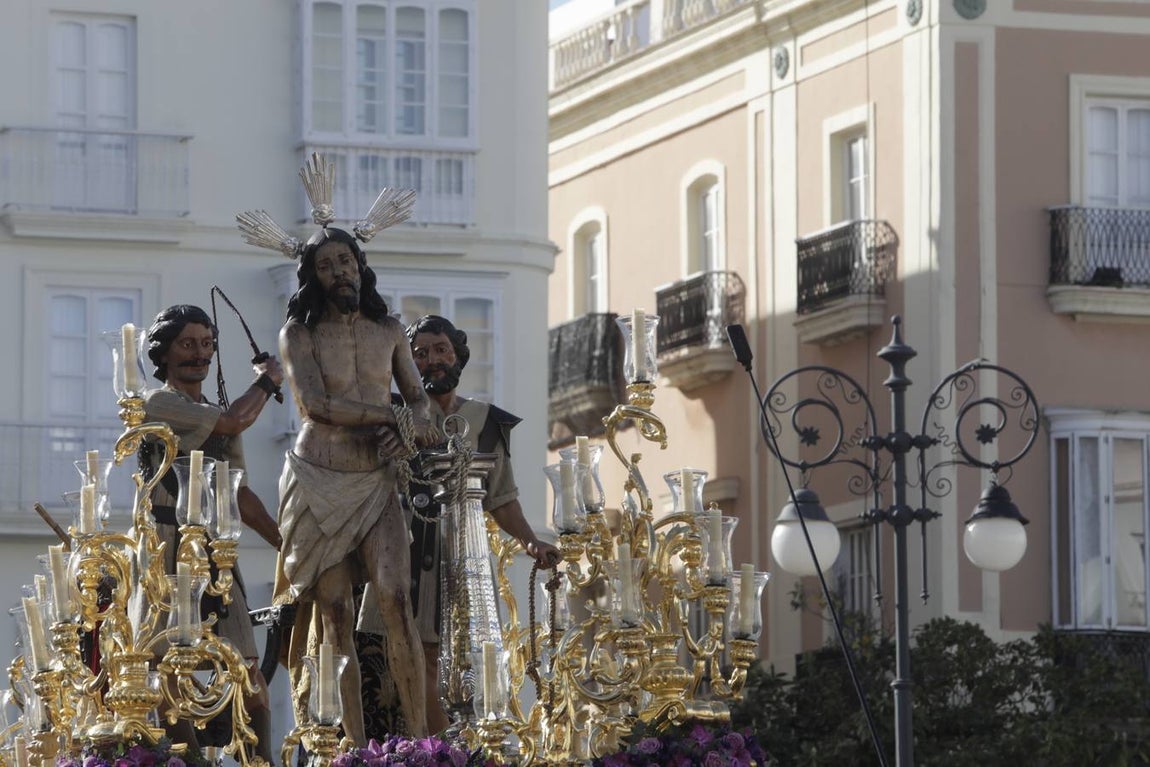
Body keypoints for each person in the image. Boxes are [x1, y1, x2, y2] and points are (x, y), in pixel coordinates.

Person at [357, 314, 561, 737]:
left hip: (458, 557)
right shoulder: (392, 414)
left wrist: (530, 542)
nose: (433, 360)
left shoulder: (489, 423)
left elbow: (501, 498)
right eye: (421, 354)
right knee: (391, 658)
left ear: (458, 355)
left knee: (441, 658)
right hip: (398, 548)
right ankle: (424, 748)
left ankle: (439, 747)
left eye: (441, 350)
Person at [272, 227, 437, 745]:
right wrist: (387, 416)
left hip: (375, 477)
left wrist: (411, 424)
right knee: (336, 609)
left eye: (345, 260)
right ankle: (355, 746)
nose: (338, 271)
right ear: (313, 276)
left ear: (359, 265)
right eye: (326, 265)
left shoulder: (388, 329)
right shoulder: (298, 334)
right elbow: (314, 404)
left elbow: (419, 399)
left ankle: (416, 741)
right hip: (317, 474)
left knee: (395, 597)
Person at [140, 304, 283, 764]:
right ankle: (192, 761)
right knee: (166, 669)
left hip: (216, 553)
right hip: (166, 550)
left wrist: (284, 541)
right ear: (163, 354)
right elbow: (235, 422)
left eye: (206, 344)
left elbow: (238, 493)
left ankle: (259, 760)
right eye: (187, 344)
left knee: (247, 671)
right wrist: (268, 380)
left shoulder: (213, 412)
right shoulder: (158, 403)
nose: (199, 354)